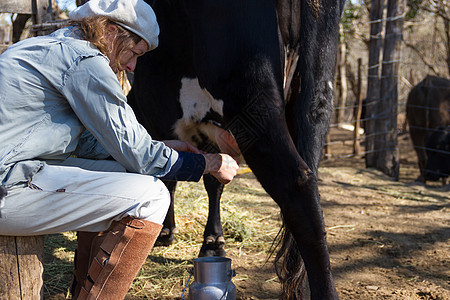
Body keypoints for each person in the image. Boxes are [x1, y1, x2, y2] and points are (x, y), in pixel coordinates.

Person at [0, 0, 239, 299]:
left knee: (123, 175)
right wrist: (210, 162)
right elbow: (136, 153)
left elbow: (86, 144)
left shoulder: (50, 48)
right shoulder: (84, 61)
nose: (131, 66)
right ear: (112, 31)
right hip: (7, 184)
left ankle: (82, 291)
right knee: (152, 196)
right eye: (134, 53)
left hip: (14, 168)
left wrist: (159, 147)